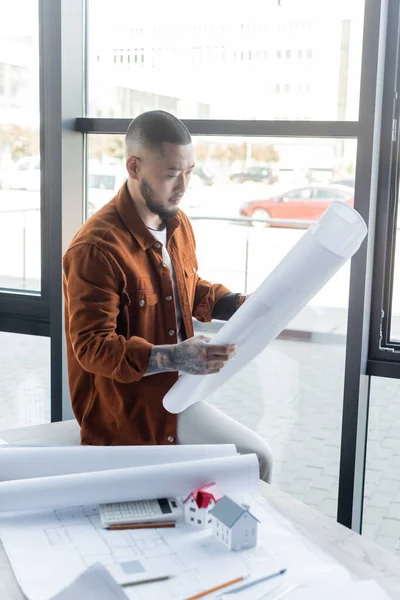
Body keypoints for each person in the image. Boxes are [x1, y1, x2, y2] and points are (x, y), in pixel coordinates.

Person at [63, 110, 273, 482]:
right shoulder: (95, 248)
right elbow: (93, 348)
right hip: (128, 415)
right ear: (134, 166)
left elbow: (186, 290)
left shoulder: (177, 222)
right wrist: (175, 357)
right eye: (172, 174)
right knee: (256, 460)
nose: (183, 185)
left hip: (179, 393)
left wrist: (239, 303)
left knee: (253, 463)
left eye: (189, 171)